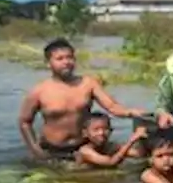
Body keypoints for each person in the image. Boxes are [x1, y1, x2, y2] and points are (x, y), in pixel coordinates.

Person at [18, 38, 147, 161]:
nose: (66, 62)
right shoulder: (39, 91)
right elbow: (24, 122)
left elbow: (112, 106)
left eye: (70, 57)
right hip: (52, 149)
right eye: (60, 59)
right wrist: (35, 149)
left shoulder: (88, 84)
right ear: (48, 63)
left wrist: (130, 112)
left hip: (84, 145)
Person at [74, 113, 147, 168]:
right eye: (96, 130)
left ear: (111, 130)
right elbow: (110, 162)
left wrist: (140, 137)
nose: (101, 133)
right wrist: (131, 140)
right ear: (85, 133)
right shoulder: (85, 151)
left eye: (105, 129)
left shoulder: (111, 146)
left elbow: (138, 154)